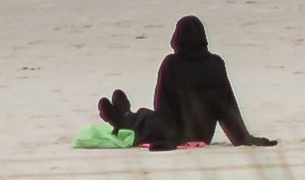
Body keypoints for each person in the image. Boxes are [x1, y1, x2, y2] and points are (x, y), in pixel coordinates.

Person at [97, 12, 276, 151]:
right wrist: (242, 137)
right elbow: (227, 108)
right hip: (203, 134)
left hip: (174, 132)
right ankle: (125, 113)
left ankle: (123, 118)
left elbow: (163, 107)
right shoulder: (216, 64)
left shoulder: (171, 64)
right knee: (148, 117)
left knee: (146, 118)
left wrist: (168, 140)